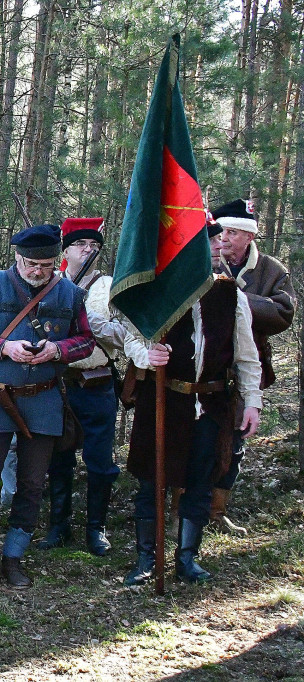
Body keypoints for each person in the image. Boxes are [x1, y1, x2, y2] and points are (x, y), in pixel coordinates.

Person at [0, 223, 95, 591]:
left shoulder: (71, 294)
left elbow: (86, 340)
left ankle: (13, 558)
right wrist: (4, 347)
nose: (38, 271)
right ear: (17, 258)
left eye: (46, 265)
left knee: (32, 484)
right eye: (31, 264)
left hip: (45, 398)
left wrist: (57, 350)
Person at [123, 222, 262, 585]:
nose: (217, 245)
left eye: (216, 239)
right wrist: (146, 355)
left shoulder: (230, 294)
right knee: (151, 481)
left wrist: (253, 402)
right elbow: (131, 338)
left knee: (200, 482)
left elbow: (247, 356)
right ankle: (147, 559)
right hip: (162, 400)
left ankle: (187, 559)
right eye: (207, 240)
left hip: (210, 405)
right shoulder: (157, 290)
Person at [39, 218, 126, 556]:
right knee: (58, 457)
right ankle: (58, 526)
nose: (88, 250)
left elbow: (127, 335)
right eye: (80, 245)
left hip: (96, 383)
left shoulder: (110, 286)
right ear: (66, 251)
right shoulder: (52, 285)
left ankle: (96, 528)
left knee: (100, 460)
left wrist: (94, 324)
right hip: (58, 384)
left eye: (93, 246)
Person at [209, 198, 296, 534]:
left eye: (233, 232)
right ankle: (182, 509)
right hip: (202, 367)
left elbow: (283, 313)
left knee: (235, 440)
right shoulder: (204, 261)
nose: (224, 239)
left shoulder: (272, 270)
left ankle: (217, 511)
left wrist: (237, 298)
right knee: (193, 436)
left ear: (249, 236)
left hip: (246, 367)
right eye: (221, 232)